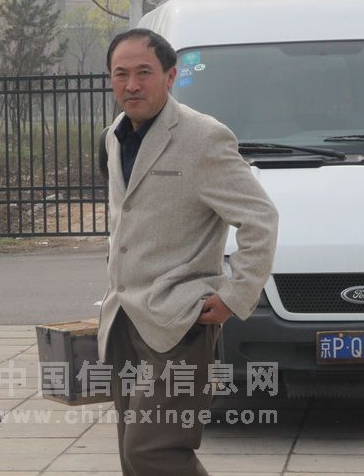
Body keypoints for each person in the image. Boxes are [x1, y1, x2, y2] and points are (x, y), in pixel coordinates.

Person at [97, 28, 279, 476]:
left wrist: (236, 295)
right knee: (132, 454)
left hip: (180, 322)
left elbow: (260, 218)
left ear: (170, 75)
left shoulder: (203, 137)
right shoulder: (114, 136)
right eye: (121, 74)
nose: (132, 85)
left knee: (153, 450)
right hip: (125, 317)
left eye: (144, 72)